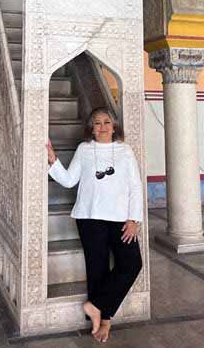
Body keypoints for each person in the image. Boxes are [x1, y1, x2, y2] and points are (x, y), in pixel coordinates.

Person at [46, 107, 143, 343]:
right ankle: (102, 320)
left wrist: (134, 219)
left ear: (114, 126)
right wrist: (52, 160)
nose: (102, 127)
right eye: (97, 123)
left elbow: (135, 187)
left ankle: (96, 305)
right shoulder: (84, 149)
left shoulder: (125, 151)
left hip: (120, 220)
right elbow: (69, 181)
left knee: (132, 265)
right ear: (91, 127)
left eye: (106, 122)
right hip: (89, 218)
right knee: (97, 268)